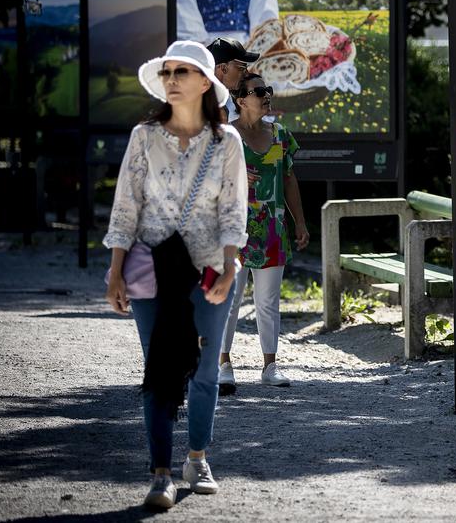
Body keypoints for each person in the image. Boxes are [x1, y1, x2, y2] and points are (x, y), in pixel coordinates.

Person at [103, 40, 248, 510]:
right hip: (149, 267)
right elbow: (126, 204)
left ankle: (198, 458)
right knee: (159, 367)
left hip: (210, 269)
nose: (172, 79)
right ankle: (160, 473)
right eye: (167, 71)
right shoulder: (143, 137)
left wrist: (229, 265)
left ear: (206, 82)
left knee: (206, 370)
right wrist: (115, 270)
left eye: (182, 71)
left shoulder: (228, 142)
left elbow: (233, 208)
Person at [219, 72, 309, 391]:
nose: (266, 95)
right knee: (229, 298)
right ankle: (224, 364)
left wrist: (299, 222)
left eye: (268, 90)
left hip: (272, 227)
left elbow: (288, 179)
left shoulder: (281, 134)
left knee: (269, 299)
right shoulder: (226, 135)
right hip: (234, 229)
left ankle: (270, 366)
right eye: (259, 91)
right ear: (241, 100)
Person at [207, 37, 260, 122]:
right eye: (242, 68)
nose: (246, 73)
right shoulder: (202, 99)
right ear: (223, 68)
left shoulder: (221, 98)